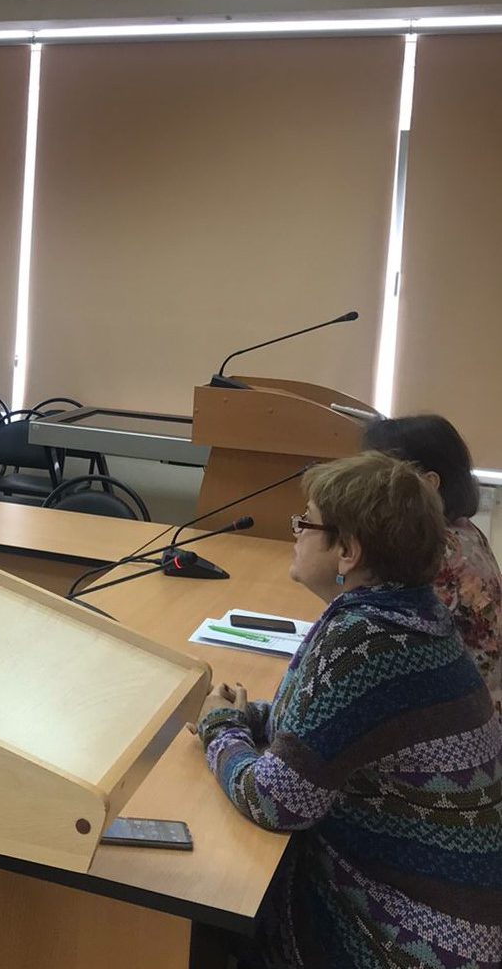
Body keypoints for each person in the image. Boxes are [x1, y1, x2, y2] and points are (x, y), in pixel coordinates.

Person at [195, 452, 502, 969]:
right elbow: (339, 731)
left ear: (348, 551)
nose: (295, 532)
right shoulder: (413, 614)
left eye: (306, 522)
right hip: (457, 920)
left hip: (410, 942)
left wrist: (220, 728)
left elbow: (277, 801)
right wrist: (254, 716)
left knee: (211, 903)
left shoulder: (365, 640)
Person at [363, 413, 502, 713]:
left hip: (464, 716)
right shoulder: (461, 530)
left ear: (429, 484)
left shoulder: (439, 552)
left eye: (380, 477)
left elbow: (384, 641)